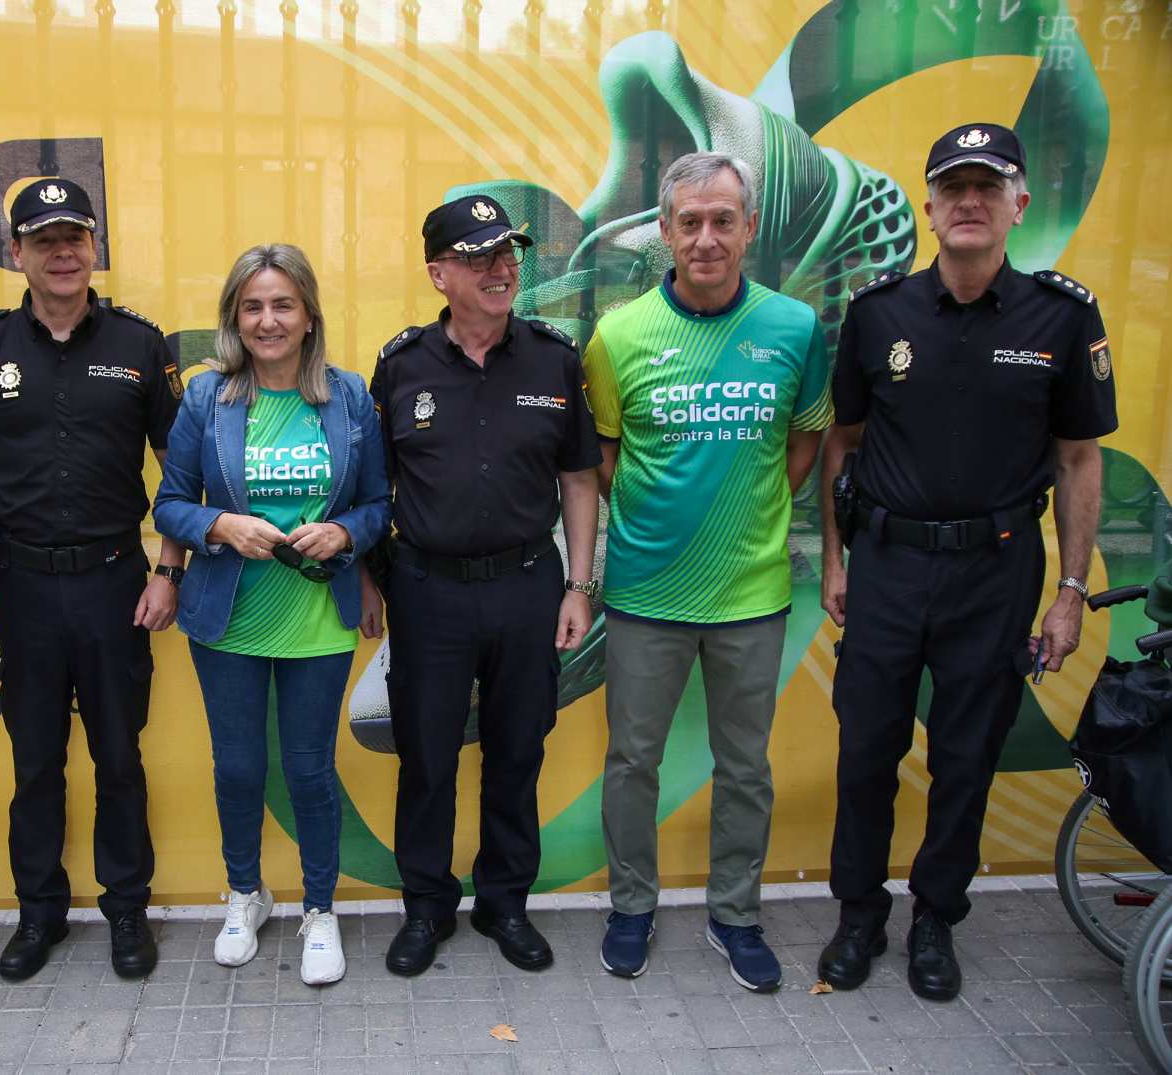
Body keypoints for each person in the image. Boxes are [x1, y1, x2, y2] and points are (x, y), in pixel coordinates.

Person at [818, 123, 1117, 1002]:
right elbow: (842, 443)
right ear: (929, 208)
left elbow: (1078, 458)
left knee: (965, 752)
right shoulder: (878, 314)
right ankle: (858, 912)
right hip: (886, 564)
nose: (970, 202)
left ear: (1018, 204)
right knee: (866, 746)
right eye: (953, 188)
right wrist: (835, 560)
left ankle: (936, 918)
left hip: (995, 570)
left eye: (989, 187)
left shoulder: (1061, 317)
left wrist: (1068, 591)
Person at [581, 152, 832, 994]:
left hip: (750, 592)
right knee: (631, 763)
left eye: (722, 219)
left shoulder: (795, 329)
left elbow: (804, 443)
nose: (705, 237)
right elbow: (607, 457)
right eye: (688, 221)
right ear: (664, 231)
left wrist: (750, 508)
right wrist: (664, 520)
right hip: (646, 593)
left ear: (748, 227)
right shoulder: (616, 336)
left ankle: (734, 913)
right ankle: (630, 905)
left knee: (745, 766)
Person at [0, 177, 183, 983]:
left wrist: (170, 566)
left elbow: (179, 470)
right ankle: (39, 913)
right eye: (43, 240)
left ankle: (126, 911)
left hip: (115, 582)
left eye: (74, 236)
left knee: (119, 755)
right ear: (17, 254)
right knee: (35, 760)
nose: (62, 251)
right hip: (25, 587)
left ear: (94, 246)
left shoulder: (141, 347)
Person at [364, 195, 602, 976]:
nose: (500, 269)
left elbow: (578, 477)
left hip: (527, 586)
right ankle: (426, 907)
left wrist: (578, 584)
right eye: (477, 257)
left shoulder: (552, 358)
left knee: (515, 752)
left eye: (507, 254)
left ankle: (504, 902)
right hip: (427, 592)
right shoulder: (400, 366)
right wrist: (373, 583)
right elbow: (372, 489)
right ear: (438, 274)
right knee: (426, 757)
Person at [153, 244, 391, 986]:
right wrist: (220, 526)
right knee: (239, 767)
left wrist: (347, 531)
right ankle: (245, 893)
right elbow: (167, 503)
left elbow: (381, 502)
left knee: (311, 769)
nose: (267, 320)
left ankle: (319, 907)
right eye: (252, 306)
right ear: (234, 317)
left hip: (318, 615)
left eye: (282, 304)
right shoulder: (206, 399)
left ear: (308, 314)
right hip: (229, 618)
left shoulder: (348, 397)